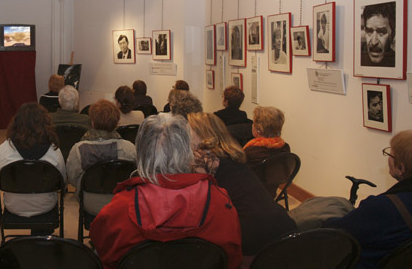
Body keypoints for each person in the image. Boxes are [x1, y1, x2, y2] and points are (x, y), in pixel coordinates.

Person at [90, 113, 242, 269]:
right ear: (187, 153)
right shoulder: (221, 203)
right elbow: (232, 259)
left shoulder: (118, 209)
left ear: (141, 153)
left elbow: (103, 253)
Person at [188, 112, 297, 257]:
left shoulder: (205, 160)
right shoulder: (231, 155)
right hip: (281, 225)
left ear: (202, 136)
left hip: (254, 237)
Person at [324, 130, 412, 268]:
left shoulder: (384, 207)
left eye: (391, 155)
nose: (388, 159)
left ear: (401, 168)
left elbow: (334, 232)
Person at [0, 103, 66, 220]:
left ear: (16, 123)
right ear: (45, 124)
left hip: (14, 205)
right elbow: (61, 180)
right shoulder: (54, 150)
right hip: (45, 205)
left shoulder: (5, 148)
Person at [66, 99, 136, 215]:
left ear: (92, 122)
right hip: (121, 202)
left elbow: (73, 179)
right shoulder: (129, 148)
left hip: (90, 203)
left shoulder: (78, 149)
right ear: (116, 122)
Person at [245, 106, 291, 197]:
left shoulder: (250, 151)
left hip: (249, 196)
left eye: (253, 122)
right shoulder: (285, 148)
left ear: (258, 129)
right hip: (270, 194)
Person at [361, 2, 396, 67]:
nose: (374, 42)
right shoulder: (359, 55)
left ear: (393, 34)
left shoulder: (396, 62)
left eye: (381, 32)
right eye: (369, 31)